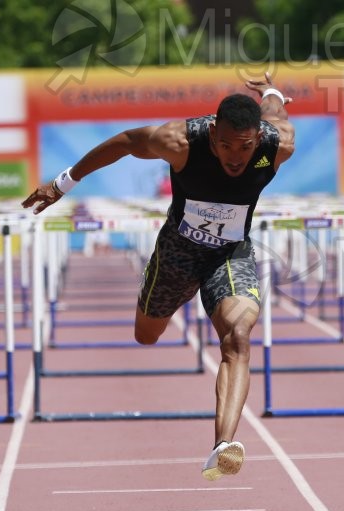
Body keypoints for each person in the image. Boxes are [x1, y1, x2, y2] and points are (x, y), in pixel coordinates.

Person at [22, 72, 295, 481]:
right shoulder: (180, 141)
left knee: (237, 336)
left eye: (244, 146)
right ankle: (165, 297)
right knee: (146, 334)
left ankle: (223, 445)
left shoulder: (278, 144)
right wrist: (63, 183)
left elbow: (275, 111)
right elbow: (125, 143)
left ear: (258, 138)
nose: (234, 156)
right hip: (177, 254)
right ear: (213, 131)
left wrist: (270, 90)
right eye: (224, 145)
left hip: (229, 254)